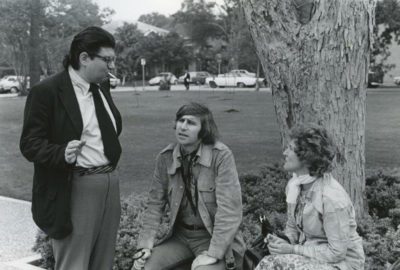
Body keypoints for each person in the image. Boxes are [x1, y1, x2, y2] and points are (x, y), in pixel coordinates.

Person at [20, 26, 122, 270]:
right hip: (74, 188)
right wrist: (60, 152)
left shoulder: (101, 86)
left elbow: (107, 130)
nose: (111, 67)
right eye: (107, 60)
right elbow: (29, 144)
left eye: (113, 60)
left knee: (103, 263)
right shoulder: (47, 92)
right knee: (74, 264)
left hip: (109, 183)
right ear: (84, 58)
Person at [133, 102, 246, 270]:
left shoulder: (221, 156)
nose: (183, 127)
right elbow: (155, 206)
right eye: (181, 120)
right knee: (142, 268)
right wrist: (145, 246)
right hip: (180, 237)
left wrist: (213, 254)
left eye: (191, 123)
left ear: (204, 129)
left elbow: (230, 211)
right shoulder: (166, 157)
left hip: (213, 239)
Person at [256, 124, 365, 270]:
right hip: (310, 254)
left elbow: (337, 253)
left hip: (342, 264)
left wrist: (292, 250)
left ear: (306, 157)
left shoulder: (331, 198)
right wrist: (283, 242)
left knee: (273, 264)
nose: (284, 153)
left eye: (290, 148)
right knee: (270, 261)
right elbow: (293, 228)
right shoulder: (294, 186)